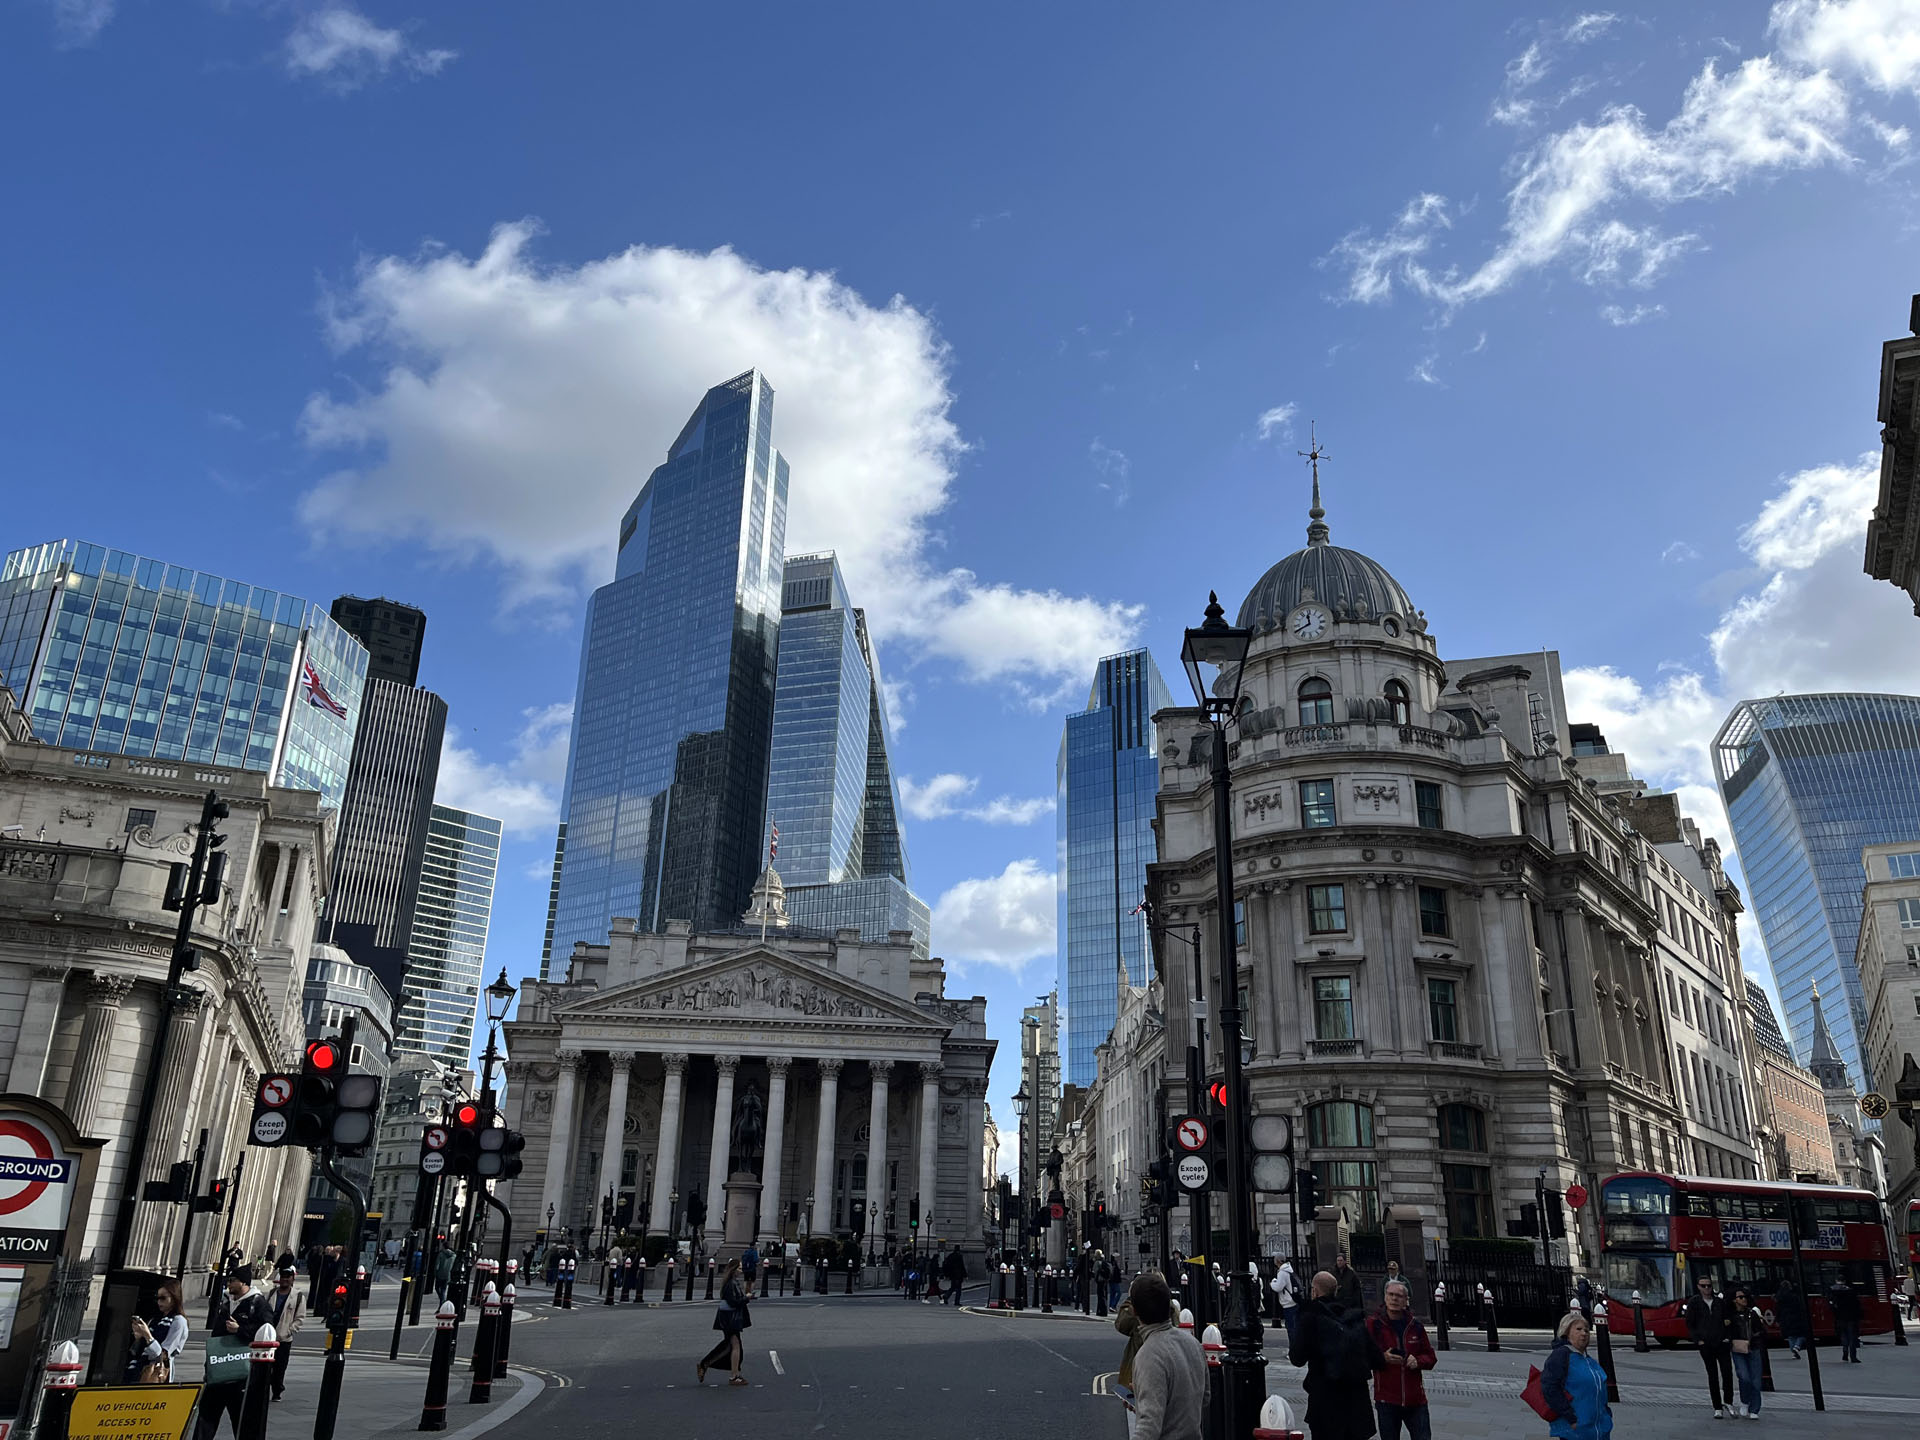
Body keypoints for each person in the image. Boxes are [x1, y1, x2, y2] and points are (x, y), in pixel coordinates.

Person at [1290, 1270, 1379, 1440]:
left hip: (1325, 1400)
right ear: (1336, 1291)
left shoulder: (1311, 1316)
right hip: (1356, 1403)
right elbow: (1374, 1357)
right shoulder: (1352, 1316)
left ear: (1314, 1291)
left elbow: (1297, 1357)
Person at [1125, 1272, 1206, 1440]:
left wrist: (1146, 1406)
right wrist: (1141, 1402)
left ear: (1134, 1311)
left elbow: (1149, 1428)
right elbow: (1204, 1398)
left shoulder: (1148, 1355)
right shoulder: (1193, 1343)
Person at [197, 1268, 272, 1440]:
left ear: (244, 1282)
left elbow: (266, 1333)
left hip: (240, 1373)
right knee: (206, 1416)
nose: (229, 1284)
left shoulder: (258, 1304)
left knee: (241, 1420)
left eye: (233, 1280)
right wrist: (209, 1367)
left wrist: (241, 1330)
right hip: (219, 1370)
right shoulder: (226, 1303)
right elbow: (216, 1337)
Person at [1366, 1279, 1436, 1440]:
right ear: (1385, 1297)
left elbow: (1430, 1356)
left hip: (1415, 1399)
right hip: (1387, 1398)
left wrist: (1418, 1361)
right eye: (1390, 1294)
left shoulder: (1415, 1325)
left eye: (1399, 1296)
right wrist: (1382, 1358)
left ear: (1406, 1301)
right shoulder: (1373, 1325)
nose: (1394, 1299)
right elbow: (1363, 1356)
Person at [1540, 1310, 1612, 1440]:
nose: (1584, 1333)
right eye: (1578, 1329)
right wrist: (1570, 1418)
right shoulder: (1561, 1355)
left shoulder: (1588, 1360)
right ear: (1566, 1332)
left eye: (1586, 1330)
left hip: (1598, 1429)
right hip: (1576, 1430)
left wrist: (1607, 1415)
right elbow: (1550, 1388)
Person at [1683, 1274, 1734, 1418]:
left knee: (1727, 1373)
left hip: (1721, 1342)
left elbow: (1728, 1319)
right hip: (1706, 1344)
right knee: (1712, 1375)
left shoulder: (1719, 1302)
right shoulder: (1694, 1302)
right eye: (1703, 1286)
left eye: (1709, 1286)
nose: (1707, 1288)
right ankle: (1717, 1407)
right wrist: (1698, 1340)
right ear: (1698, 1287)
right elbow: (1690, 1323)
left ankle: (1728, 1401)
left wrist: (1726, 1337)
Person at [696, 1259, 750, 1386]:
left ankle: (732, 1373)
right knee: (735, 1345)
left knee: (731, 1345)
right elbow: (733, 1302)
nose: (741, 1270)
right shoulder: (730, 1284)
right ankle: (733, 1375)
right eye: (740, 1268)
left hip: (730, 1318)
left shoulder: (732, 1282)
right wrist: (746, 1298)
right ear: (734, 1269)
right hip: (730, 1319)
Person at [128, 1279, 188, 1382]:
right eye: (158, 1298)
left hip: (157, 1371)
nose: (159, 1302)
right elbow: (137, 1350)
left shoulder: (178, 1321)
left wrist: (147, 1336)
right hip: (139, 1367)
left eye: (163, 1298)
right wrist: (139, 1337)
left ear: (174, 1298)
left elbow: (162, 1355)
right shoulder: (155, 1319)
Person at [265, 1263, 305, 1401]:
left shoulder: (298, 1296)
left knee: (279, 1368)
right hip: (269, 1337)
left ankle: (277, 1391)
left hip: (284, 1338)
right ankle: (265, 1389)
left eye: (288, 1277)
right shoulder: (271, 1293)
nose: (285, 1279)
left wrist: (290, 1330)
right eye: (283, 1277)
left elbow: (300, 1318)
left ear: (292, 1279)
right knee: (265, 1367)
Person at [1728, 1286, 1766, 1420]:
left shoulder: (1752, 1313)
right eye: (1740, 1297)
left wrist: (1755, 1337)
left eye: (1745, 1297)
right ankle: (1745, 1401)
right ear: (1734, 1300)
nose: (1744, 1299)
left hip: (1753, 1347)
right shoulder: (1730, 1316)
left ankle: (1754, 1408)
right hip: (1737, 1348)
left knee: (1756, 1380)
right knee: (1744, 1377)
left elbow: (1761, 1331)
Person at [1773, 1275, 1808, 1359]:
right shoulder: (1794, 1296)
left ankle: (1793, 1351)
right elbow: (1800, 1307)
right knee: (1802, 1334)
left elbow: (1777, 1309)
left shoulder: (1779, 1297)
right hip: (1795, 1317)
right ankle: (1797, 1347)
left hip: (1785, 1319)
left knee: (1791, 1336)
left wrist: (1777, 1319)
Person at [1830, 1278, 1862, 1363]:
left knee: (1843, 1336)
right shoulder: (1851, 1292)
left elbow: (1832, 1306)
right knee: (1852, 1337)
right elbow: (1857, 1305)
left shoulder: (1833, 1292)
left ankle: (1845, 1352)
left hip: (1840, 1318)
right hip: (1851, 1317)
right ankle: (1853, 1356)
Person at [1272, 1258, 1303, 1346]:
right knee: (1295, 1327)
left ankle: (1294, 1349)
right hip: (1294, 1301)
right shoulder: (1289, 1270)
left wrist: (1273, 1282)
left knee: (1291, 1328)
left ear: (1278, 1261)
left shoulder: (1282, 1272)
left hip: (1288, 1303)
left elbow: (1278, 1287)